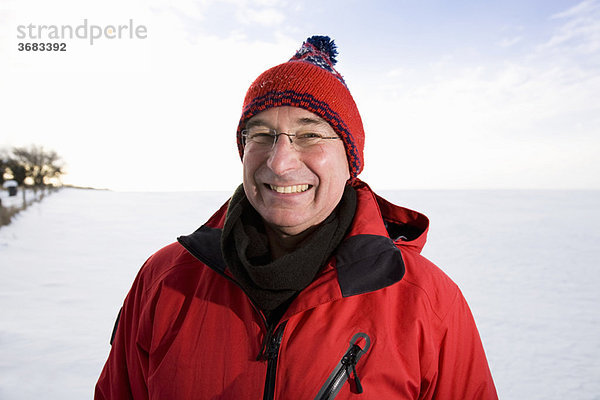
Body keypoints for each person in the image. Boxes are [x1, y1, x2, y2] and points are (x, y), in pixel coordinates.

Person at [95, 35, 498, 399]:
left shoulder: (426, 301)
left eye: (309, 134)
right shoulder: (166, 279)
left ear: (350, 160)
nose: (280, 162)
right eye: (261, 135)